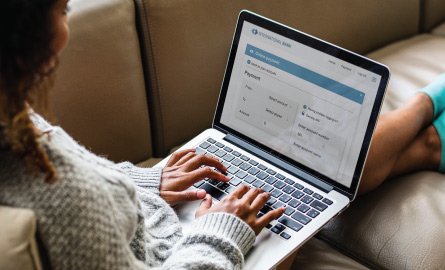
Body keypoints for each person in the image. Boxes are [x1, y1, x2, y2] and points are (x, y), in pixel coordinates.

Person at [0, 0, 443, 269]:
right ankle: (425, 104)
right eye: (61, 11)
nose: (66, 32)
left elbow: (80, 182)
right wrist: (226, 229)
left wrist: (146, 182)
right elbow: (75, 202)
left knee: (304, 169)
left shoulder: (13, 120)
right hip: (206, 253)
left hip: (171, 228)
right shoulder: (62, 203)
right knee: (309, 171)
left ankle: (426, 144)